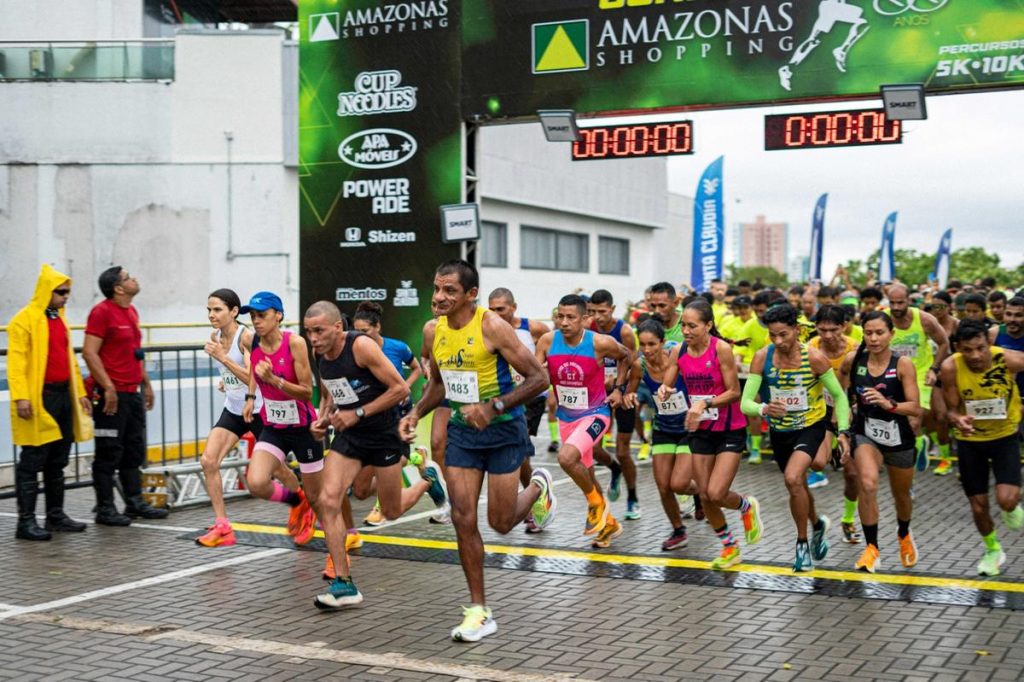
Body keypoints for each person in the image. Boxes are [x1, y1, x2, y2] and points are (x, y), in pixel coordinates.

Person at [399, 260, 556, 642]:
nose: (440, 297)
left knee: (500, 522)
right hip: (463, 434)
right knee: (463, 517)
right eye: (437, 288)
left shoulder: (492, 326)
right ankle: (479, 610)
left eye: (450, 290)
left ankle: (538, 485)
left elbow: (539, 378)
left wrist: (493, 407)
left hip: (504, 432)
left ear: (471, 294)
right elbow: (439, 385)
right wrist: (415, 412)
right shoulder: (434, 330)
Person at [307, 301, 447, 608]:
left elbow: (400, 389)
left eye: (318, 331)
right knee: (328, 499)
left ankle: (427, 480)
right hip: (351, 436)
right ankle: (343, 583)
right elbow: (331, 394)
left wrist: (358, 412)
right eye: (308, 332)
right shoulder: (320, 354)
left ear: (337, 327)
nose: (313, 338)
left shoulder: (361, 347)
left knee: (391, 510)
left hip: (384, 433)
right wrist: (323, 419)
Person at [741, 303, 851, 572]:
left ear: (797, 330)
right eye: (773, 335)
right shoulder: (762, 357)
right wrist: (764, 409)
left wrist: (843, 431)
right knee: (797, 485)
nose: (778, 341)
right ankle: (817, 525)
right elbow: (745, 403)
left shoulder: (814, 358)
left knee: (792, 478)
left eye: (784, 334)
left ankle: (801, 545)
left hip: (810, 426)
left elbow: (839, 396)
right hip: (780, 431)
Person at [659, 301, 763, 569]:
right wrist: (664, 391)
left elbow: (734, 392)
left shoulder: (721, 349)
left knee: (716, 493)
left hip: (729, 428)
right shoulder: (679, 350)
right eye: (683, 325)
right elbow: (667, 382)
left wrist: (705, 403)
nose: (686, 331)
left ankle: (746, 506)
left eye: (692, 326)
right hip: (700, 429)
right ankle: (730, 547)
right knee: (705, 495)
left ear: (708, 325)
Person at [195, 289, 289, 547]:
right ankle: (222, 525)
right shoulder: (215, 336)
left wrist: (223, 359)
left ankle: (301, 503)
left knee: (278, 470)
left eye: (217, 310)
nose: (211, 315)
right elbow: (233, 374)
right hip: (234, 409)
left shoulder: (245, 337)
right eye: (209, 310)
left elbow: (252, 375)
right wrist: (225, 381)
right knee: (208, 461)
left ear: (234, 311)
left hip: (258, 409)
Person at [537, 294, 631, 549]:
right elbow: (538, 376)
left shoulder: (600, 342)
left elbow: (626, 356)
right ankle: (609, 524)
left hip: (595, 413)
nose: (564, 322)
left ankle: (596, 503)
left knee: (566, 458)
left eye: (571, 317)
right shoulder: (547, 341)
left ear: (585, 319)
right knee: (586, 476)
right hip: (567, 418)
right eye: (560, 316)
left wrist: (619, 389)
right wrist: (537, 375)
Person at [8, 264, 92, 540]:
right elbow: (16, 363)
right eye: (61, 292)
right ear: (47, 291)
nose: (66, 297)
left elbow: (70, 360)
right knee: (32, 459)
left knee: (58, 458)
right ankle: (26, 522)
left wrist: (80, 393)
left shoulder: (59, 319)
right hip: (39, 397)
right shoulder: (24, 320)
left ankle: (55, 515)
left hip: (63, 395)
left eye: (67, 292)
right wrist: (21, 396)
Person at [82, 266, 168, 525]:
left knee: (133, 451)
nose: (134, 279)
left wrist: (146, 384)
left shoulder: (131, 311)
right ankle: (105, 509)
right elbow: (89, 353)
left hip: (132, 394)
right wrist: (107, 387)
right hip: (111, 396)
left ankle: (135, 503)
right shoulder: (101, 312)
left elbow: (135, 353)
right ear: (118, 288)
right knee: (108, 452)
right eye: (128, 278)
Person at [839, 311, 923, 573]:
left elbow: (915, 407)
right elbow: (841, 390)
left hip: (899, 436)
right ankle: (872, 548)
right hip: (866, 433)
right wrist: (843, 422)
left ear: (891, 334)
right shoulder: (854, 360)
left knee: (902, 495)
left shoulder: (902, 364)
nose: (874, 338)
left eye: (879, 333)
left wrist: (890, 405)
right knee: (867, 483)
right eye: (868, 333)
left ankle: (904, 533)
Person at [940, 321, 1024, 576]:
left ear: (989, 343)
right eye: (967, 350)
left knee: (1006, 500)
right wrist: (958, 419)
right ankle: (993, 550)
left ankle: (1011, 507)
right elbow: (950, 409)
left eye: (980, 348)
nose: (975, 356)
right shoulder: (951, 367)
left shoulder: (1009, 359)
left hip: (1004, 437)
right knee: (978, 506)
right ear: (958, 348)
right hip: (970, 441)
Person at [241, 291, 320, 546]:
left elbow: (307, 392)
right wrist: (250, 397)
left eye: (262, 315)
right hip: (274, 426)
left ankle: (315, 512)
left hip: (303, 427)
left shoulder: (295, 343)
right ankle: (297, 501)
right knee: (256, 482)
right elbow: (254, 368)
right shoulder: (252, 341)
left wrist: (274, 380)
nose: (256, 321)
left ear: (278, 315)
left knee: (317, 495)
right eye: (253, 316)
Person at [350, 300, 425, 527]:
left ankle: (383, 504)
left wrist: (404, 387)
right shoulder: (354, 350)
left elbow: (417, 369)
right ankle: (418, 461)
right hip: (370, 420)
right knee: (360, 490)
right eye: (356, 331)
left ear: (378, 327)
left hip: (397, 415)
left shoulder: (397, 347)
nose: (360, 336)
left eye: (365, 331)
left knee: (394, 461)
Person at [487, 288, 551, 533]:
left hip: (530, 397)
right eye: (491, 309)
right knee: (519, 454)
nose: (495, 314)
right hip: (504, 397)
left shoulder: (533, 328)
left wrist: (544, 366)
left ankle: (534, 499)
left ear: (513, 307)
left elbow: (551, 345)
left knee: (521, 453)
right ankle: (534, 493)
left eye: (500, 309)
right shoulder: (488, 329)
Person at [624, 319, 690, 550]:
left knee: (679, 484)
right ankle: (678, 530)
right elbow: (630, 390)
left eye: (652, 344)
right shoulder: (639, 365)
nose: (647, 349)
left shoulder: (677, 356)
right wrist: (628, 396)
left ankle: (702, 494)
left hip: (689, 428)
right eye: (642, 344)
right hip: (663, 428)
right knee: (663, 485)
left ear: (662, 342)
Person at [809, 305, 862, 544]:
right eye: (823, 330)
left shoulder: (855, 349)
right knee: (817, 463)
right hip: (819, 411)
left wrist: (850, 408)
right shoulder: (810, 348)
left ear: (844, 326)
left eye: (834, 330)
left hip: (848, 411)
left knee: (852, 474)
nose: (828, 335)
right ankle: (815, 520)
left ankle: (848, 520)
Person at [587, 289, 642, 518]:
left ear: (612, 309)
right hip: (598, 395)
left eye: (602, 311)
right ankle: (614, 468)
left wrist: (619, 386)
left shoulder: (624, 331)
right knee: (592, 448)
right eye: (593, 311)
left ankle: (632, 498)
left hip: (623, 393)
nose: (598, 317)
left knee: (623, 451)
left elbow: (633, 364)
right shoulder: (588, 328)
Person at [888, 284, 951, 475]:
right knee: (910, 424)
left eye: (900, 302)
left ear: (909, 300)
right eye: (892, 303)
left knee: (915, 421)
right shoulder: (883, 320)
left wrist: (934, 369)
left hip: (921, 375)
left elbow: (943, 343)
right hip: (895, 375)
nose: (896, 307)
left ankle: (914, 469)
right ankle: (920, 444)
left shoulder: (924, 319)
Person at [989, 296, 1024, 402]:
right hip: (1000, 397)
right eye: (1008, 314)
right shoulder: (994, 333)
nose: (1012, 319)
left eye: (1018, 315)